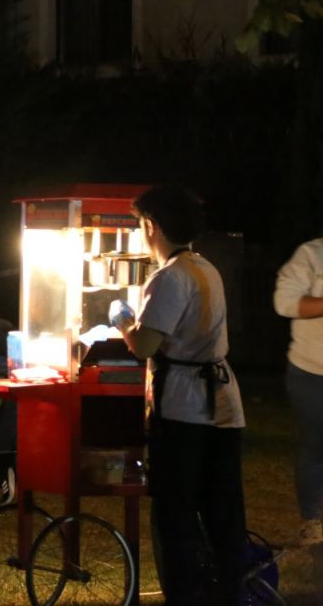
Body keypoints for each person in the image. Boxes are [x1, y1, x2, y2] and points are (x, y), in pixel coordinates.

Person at [116, 185, 246, 605]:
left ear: (150, 226)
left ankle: (185, 595)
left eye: (140, 225)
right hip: (224, 406)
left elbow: (145, 345)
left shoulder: (169, 277)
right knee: (222, 512)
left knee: (175, 513)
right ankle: (228, 592)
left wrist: (121, 320)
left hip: (185, 410)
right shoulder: (206, 268)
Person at [272, 237, 323, 547]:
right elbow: (285, 302)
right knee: (314, 448)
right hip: (312, 371)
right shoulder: (311, 254)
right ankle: (312, 521)